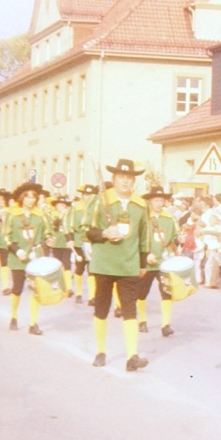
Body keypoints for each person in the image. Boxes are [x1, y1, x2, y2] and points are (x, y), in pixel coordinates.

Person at [82, 159, 149, 371]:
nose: (125, 182)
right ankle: (101, 351)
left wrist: (142, 262)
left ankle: (132, 356)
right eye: (121, 178)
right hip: (104, 265)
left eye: (129, 178)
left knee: (130, 310)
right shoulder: (100, 201)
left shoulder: (140, 205)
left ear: (133, 182)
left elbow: (144, 236)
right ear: (113, 179)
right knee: (102, 308)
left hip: (128, 265)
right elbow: (86, 229)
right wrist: (103, 233)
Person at [4, 182, 48, 334]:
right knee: (17, 288)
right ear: (21, 198)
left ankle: (33, 323)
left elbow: (46, 234)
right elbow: (6, 236)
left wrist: (49, 241)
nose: (31, 200)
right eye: (27, 197)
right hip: (18, 258)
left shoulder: (40, 215)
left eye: (34, 197)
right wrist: (17, 251)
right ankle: (14, 316)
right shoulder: (12, 214)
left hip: (35, 257)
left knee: (35, 290)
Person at [137, 185, 178, 336]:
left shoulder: (169, 218)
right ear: (149, 201)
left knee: (167, 292)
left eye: (161, 200)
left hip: (163, 262)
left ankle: (165, 325)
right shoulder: (143, 217)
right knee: (141, 293)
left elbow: (174, 238)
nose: (159, 203)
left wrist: (178, 242)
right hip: (146, 262)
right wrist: (145, 254)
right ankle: (142, 320)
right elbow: (136, 238)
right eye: (156, 200)